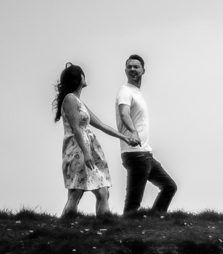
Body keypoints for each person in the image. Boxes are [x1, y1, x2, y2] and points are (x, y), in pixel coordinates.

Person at [53, 63, 136, 219]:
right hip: (78, 149)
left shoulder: (78, 102)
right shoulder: (70, 99)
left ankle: (85, 224)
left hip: (85, 148)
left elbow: (101, 125)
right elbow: (76, 128)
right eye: (83, 74)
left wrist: (124, 137)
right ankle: (76, 224)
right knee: (80, 191)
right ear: (79, 78)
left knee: (93, 191)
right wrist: (86, 153)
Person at [115, 53, 178, 216]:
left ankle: (154, 219)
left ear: (143, 70)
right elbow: (124, 113)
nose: (132, 69)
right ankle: (125, 232)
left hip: (145, 154)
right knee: (133, 203)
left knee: (169, 187)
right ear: (125, 70)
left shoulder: (137, 92)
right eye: (129, 66)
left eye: (136, 66)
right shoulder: (125, 91)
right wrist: (133, 132)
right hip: (135, 154)